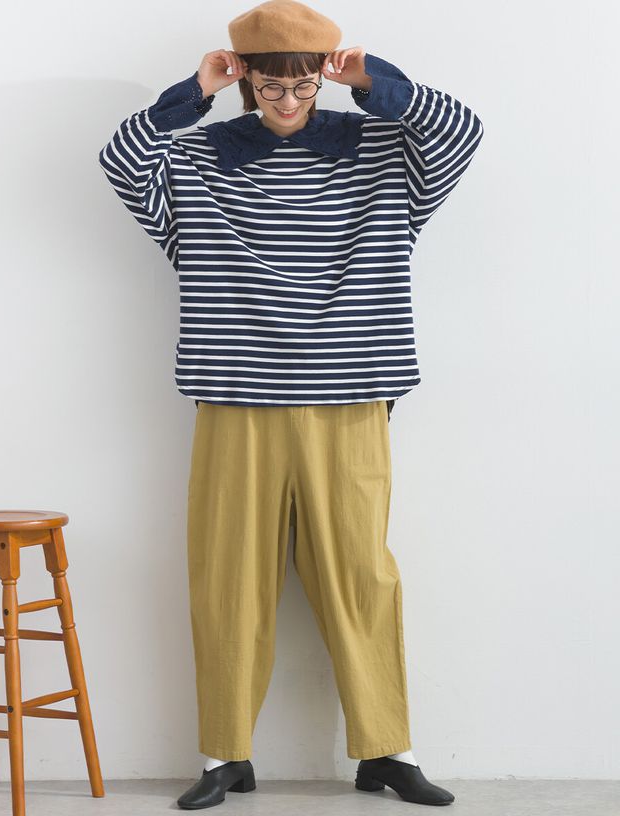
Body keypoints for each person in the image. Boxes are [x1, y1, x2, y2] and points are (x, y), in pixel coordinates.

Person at [98, 0, 484, 809]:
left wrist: (376, 82)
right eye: (270, 84)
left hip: (351, 392)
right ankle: (224, 755)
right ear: (248, 80)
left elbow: (463, 133)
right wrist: (194, 94)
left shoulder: (383, 151)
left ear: (323, 77)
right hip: (235, 395)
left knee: (361, 577)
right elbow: (120, 160)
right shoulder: (198, 159)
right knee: (228, 578)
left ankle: (388, 751)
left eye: (302, 82)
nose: (286, 98)